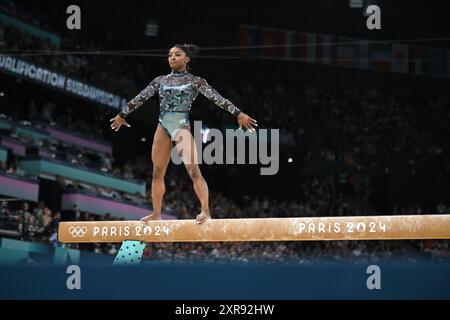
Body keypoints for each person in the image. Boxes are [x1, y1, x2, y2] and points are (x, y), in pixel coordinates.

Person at [110, 44, 257, 224]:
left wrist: (238, 113)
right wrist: (121, 114)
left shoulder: (196, 81)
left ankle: (206, 211)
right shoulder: (160, 80)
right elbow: (141, 97)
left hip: (180, 125)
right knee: (157, 172)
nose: (172, 57)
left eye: (177, 54)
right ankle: (156, 213)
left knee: (193, 170)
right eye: (170, 54)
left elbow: (218, 98)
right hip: (163, 125)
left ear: (187, 59)